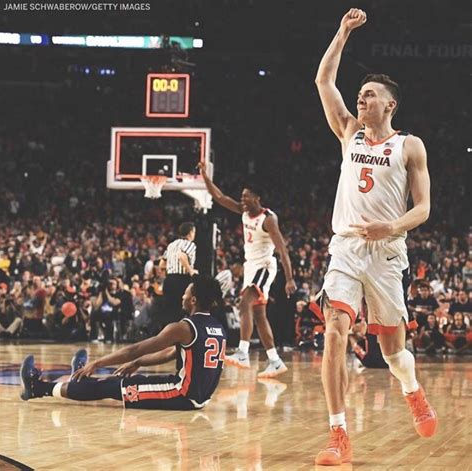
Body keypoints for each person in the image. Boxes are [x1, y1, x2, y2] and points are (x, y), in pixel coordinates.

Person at [314, 8, 437, 465]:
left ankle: (412, 389)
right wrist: (342, 31)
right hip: (345, 248)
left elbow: (423, 208)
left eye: (370, 96)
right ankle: (338, 435)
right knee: (335, 333)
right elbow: (324, 82)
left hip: (387, 251)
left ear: (391, 105)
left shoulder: (409, 145)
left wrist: (393, 225)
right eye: (361, 95)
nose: (361, 100)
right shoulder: (349, 132)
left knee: (392, 353)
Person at [20, 276, 226, 411]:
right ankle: (79, 380)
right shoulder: (216, 327)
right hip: (196, 394)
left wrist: (98, 363)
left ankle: (37, 388)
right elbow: (171, 354)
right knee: (118, 380)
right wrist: (140, 363)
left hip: (181, 394)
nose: (183, 295)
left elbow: (135, 349)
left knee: (112, 387)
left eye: (186, 292)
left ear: (193, 300)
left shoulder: (183, 327)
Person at [199, 162, 296, 378]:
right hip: (250, 267)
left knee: (244, 304)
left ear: (257, 198)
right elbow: (220, 197)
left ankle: (242, 352)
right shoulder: (244, 213)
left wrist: (289, 278)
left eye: (246, 197)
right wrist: (205, 177)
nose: (242, 200)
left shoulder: (268, 219)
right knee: (259, 315)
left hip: (264, 266)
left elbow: (282, 250)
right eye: (241, 196)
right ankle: (275, 360)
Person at [159, 222, 199, 325]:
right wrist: (191, 271)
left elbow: (162, 264)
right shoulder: (190, 244)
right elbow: (182, 256)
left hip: (169, 280)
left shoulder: (171, 245)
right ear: (190, 233)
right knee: (182, 309)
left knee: (169, 311)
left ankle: (167, 337)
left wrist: (172, 266)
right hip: (181, 279)